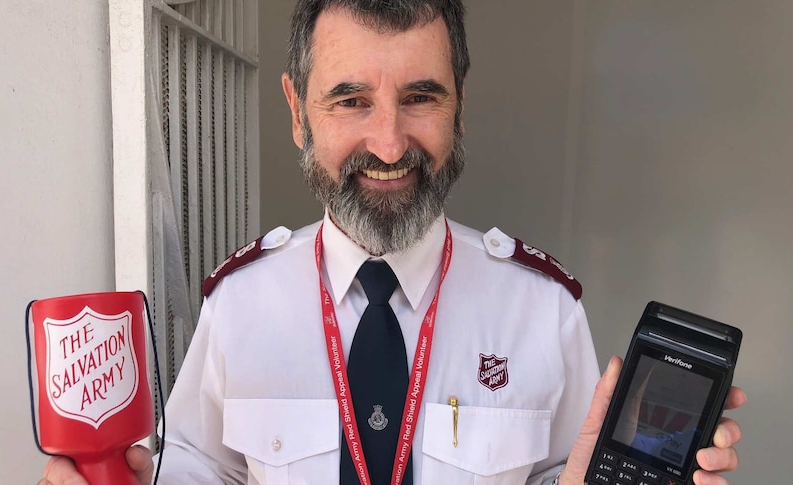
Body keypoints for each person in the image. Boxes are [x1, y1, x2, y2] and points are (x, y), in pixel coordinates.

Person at [41, 1, 745, 484]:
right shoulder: (239, 301)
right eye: (350, 100)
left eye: (421, 96)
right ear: (297, 111)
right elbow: (203, 465)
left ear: (459, 105)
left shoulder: (544, 308)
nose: (388, 142)